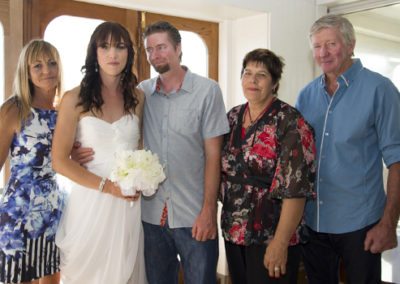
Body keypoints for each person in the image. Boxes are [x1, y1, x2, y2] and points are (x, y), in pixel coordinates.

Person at [296, 14, 400, 284]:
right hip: (312, 222)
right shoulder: (306, 96)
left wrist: (388, 223)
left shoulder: (380, 89)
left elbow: (397, 160)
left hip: (361, 224)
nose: (323, 53)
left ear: (351, 44)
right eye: (317, 46)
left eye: (331, 44)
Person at [51, 22, 147, 284]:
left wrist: (141, 177)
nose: (113, 54)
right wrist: (107, 187)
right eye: (104, 46)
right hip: (90, 202)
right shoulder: (74, 98)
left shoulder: (138, 98)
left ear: (129, 53)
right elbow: (59, 161)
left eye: (120, 46)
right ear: (94, 52)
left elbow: (139, 150)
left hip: (127, 206)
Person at [139, 21, 230, 284]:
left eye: (162, 47)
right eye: (150, 49)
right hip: (151, 216)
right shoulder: (142, 92)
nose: (155, 54)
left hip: (194, 215)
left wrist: (208, 211)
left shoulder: (207, 91)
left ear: (178, 49)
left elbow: (214, 156)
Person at [220, 48, 316, 284]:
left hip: (271, 234)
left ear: (274, 83)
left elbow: (296, 189)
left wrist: (280, 242)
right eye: (247, 73)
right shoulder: (232, 117)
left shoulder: (290, 121)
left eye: (261, 75)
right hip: (235, 230)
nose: (252, 80)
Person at [0, 39, 64, 283]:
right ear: (26, 72)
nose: (46, 70)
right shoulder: (13, 109)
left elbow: (65, 160)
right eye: (37, 66)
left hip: (52, 209)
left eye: (51, 63)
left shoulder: (63, 112)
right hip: (18, 211)